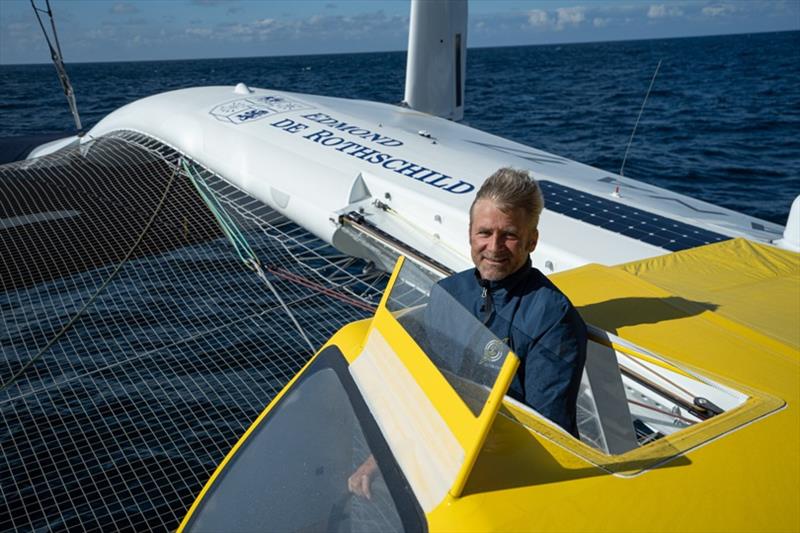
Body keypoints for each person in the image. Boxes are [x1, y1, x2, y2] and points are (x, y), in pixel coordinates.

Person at [348, 167, 587, 498]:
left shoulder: (550, 316)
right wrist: (381, 457)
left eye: (510, 235)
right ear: (470, 233)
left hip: (505, 475)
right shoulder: (447, 293)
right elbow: (420, 393)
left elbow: (545, 437)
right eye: (484, 233)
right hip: (445, 456)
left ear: (532, 240)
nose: (494, 247)